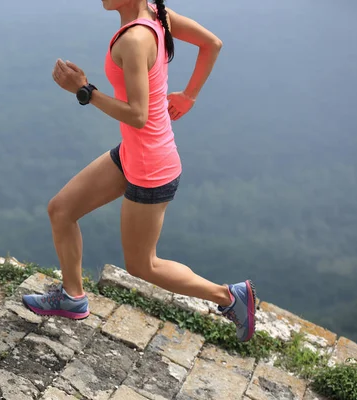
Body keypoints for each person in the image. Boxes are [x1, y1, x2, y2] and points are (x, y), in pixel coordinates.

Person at [22, 0, 257, 342]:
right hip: (134, 153)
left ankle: (228, 297)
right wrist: (188, 96)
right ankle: (72, 298)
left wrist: (84, 91)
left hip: (151, 168)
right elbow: (212, 44)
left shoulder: (135, 38)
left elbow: (137, 115)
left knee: (142, 264)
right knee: (61, 210)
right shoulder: (155, 13)